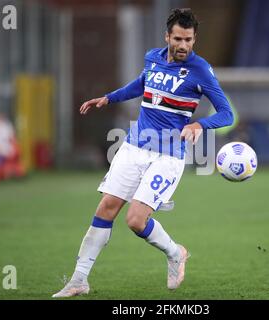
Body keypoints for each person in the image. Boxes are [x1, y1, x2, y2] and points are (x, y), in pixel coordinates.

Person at [52, 8, 234, 298]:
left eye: (188, 39)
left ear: (194, 38)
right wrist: (109, 98)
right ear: (167, 36)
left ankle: (176, 253)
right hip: (134, 147)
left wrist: (200, 123)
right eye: (178, 38)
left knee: (136, 221)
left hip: (169, 155)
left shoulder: (201, 71)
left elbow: (227, 114)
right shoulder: (152, 57)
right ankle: (79, 280)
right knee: (106, 208)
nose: (183, 45)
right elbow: (141, 85)